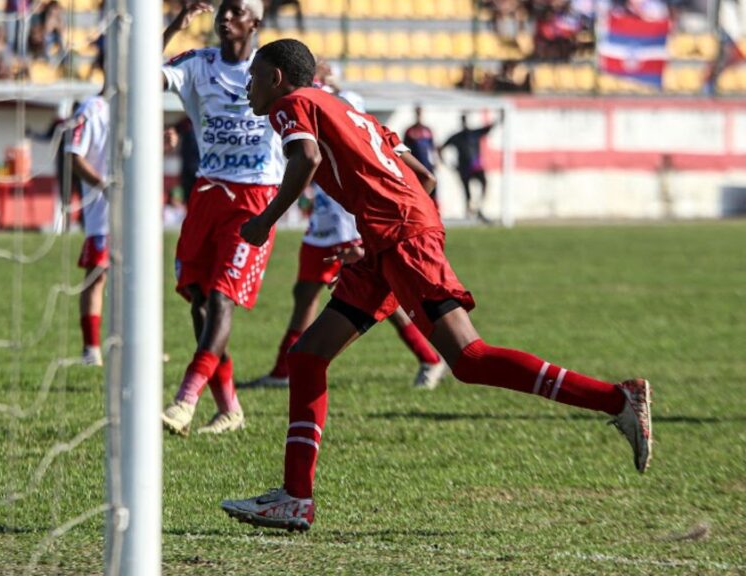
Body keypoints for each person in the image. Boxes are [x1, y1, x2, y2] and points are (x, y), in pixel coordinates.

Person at [220, 39, 652, 531]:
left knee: (468, 358)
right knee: (307, 356)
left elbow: (306, 159)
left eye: (254, 76)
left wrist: (266, 221)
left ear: (276, 77)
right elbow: (422, 177)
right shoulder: (348, 109)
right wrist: (378, 239)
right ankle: (295, 498)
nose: (248, 86)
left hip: (400, 237)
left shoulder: (293, 104)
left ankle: (617, 399)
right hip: (393, 237)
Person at [244, 92, 447, 391]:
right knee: (305, 293)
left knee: (381, 303)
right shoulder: (307, 108)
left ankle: (429, 357)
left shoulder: (350, 113)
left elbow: (418, 176)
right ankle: (282, 370)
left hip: (353, 226)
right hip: (322, 225)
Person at [159, 0, 286, 435]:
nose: (224, 18)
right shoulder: (199, 64)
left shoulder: (275, 70)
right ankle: (229, 407)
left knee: (220, 298)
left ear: (255, 21)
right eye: (222, 11)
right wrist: (176, 22)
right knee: (197, 299)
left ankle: (185, 400)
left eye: (235, 11)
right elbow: (143, 76)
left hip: (255, 195)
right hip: (208, 191)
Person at [64, 94, 112, 366]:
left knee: (136, 282)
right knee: (97, 276)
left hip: (138, 216)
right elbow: (74, 154)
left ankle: (138, 349)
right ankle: (91, 349)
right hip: (102, 215)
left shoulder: (141, 104)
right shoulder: (92, 109)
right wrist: (104, 185)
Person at [439, 114, 495, 222]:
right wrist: (448, 164)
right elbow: (441, 148)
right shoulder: (457, 137)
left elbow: (490, 127)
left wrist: (499, 116)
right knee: (467, 191)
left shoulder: (475, 133)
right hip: (464, 168)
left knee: (484, 184)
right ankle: (469, 213)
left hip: (476, 166)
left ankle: (479, 208)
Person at [402, 106, 439, 207]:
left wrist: (436, 161)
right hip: (417, 166)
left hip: (428, 165)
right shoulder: (409, 131)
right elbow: (404, 149)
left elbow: (432, 147)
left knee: (433, 186)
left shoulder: (427, 130)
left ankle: (434, 210)